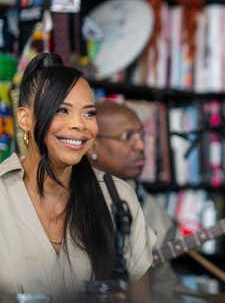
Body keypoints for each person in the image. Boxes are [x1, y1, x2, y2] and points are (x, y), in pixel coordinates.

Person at [0, 53, 155, 301]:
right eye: (62, 110)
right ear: (25, 119)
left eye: (88, 113)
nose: (79, 125)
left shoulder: (117, 197)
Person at [88, 101, 183, 302]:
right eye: (127, 136)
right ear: (92, 146)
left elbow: (163, 288)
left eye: (141, 135)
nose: (140, 146)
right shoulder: (61, 197)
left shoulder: (152, 212)